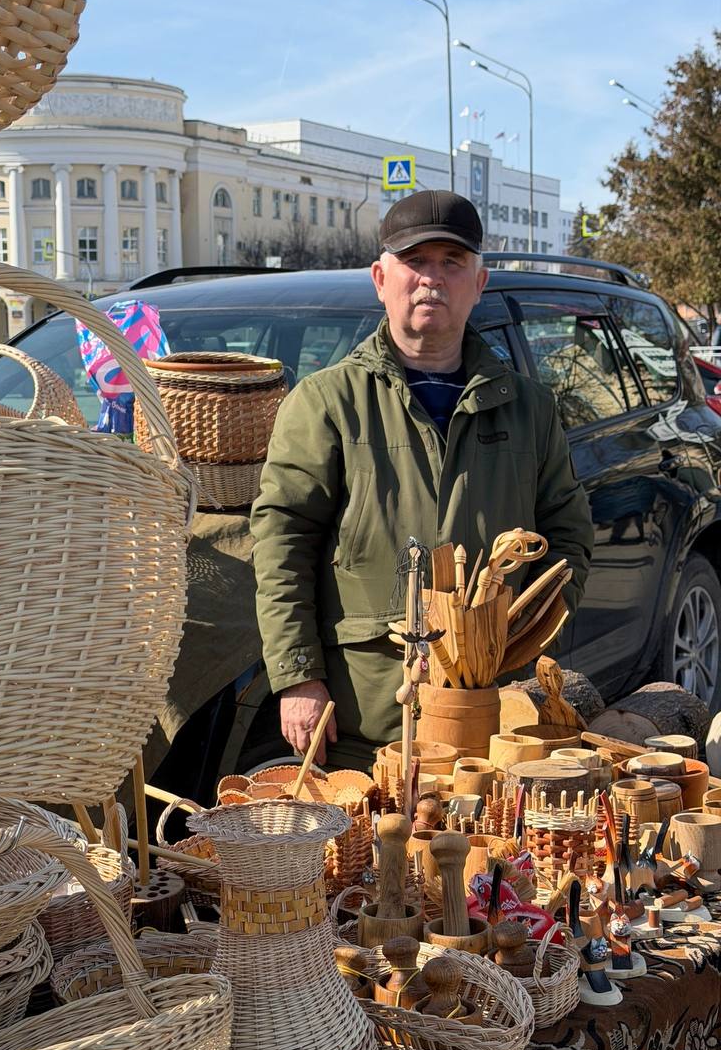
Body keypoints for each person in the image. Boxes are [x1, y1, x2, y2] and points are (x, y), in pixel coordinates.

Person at [250, 190, 594, 771]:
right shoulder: (328, 402)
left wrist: (528, 636)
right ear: (381, 278)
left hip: (495, 719)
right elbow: (283, 542)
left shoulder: (529, 408)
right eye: (415, 261)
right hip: (364, 721)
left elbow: (569, 537)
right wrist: (298, 676)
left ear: (478, 283)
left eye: (451, 262)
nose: (432, 278)